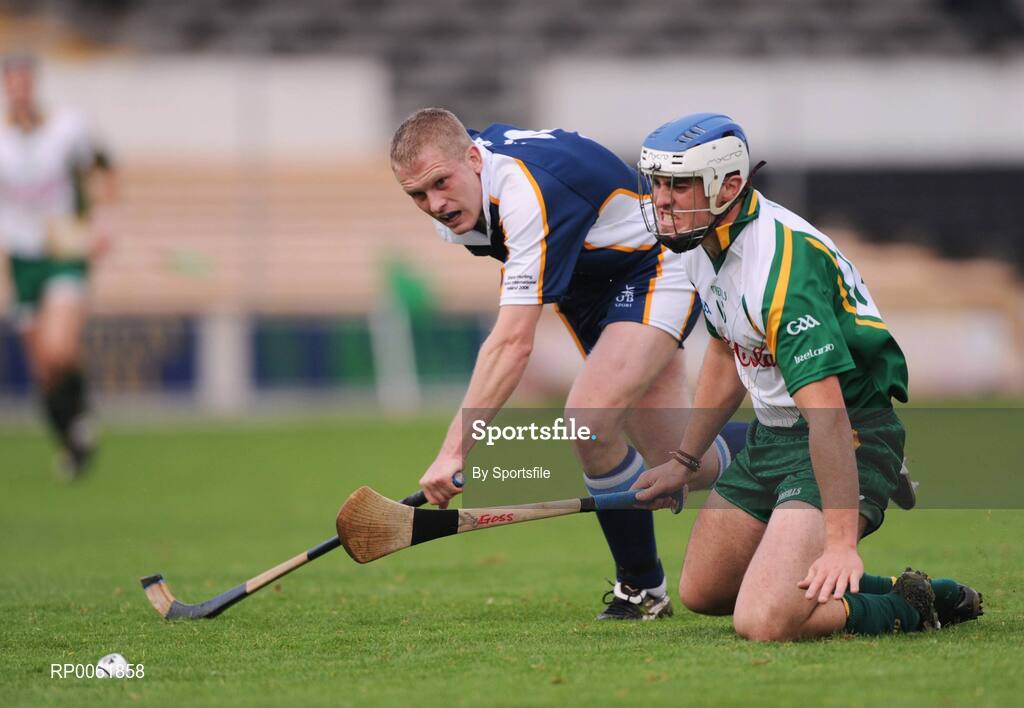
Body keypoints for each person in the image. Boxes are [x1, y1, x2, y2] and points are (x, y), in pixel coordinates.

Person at [632, 112, 982, 639]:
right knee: (705, 592)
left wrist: (841, 544)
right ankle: (893, 587)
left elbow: (829, 417)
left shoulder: (780, 270)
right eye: (657, 183)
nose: (662, 199)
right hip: (774, 435)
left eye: (679, 185)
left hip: (848, 432)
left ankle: (916, 608)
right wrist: (684, 460)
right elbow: (728, 354)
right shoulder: (702, 245)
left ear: (729, 185)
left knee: (763, 620)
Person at [390, 108, 749, 620]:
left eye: (440, 184)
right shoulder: (465, 186)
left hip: (651, 265)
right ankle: (805, 446)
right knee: (674, 456)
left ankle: (641, 589)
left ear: (472, 158)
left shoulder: (523, 193)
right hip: (589, 284)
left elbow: (512, 343)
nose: (435, 204)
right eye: (418, 196)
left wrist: (454, 451)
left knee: (586, 420)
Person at [1, 54, 116, 477]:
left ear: (34, 84)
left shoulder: (68, 129)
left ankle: (83, 415)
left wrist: (101, 222)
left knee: (59, 348)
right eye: (11, 84)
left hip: (64, 252)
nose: (19, 90)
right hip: (22, 259)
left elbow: (104, 168)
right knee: (43, 369)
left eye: (24, 82)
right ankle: (72, 441)